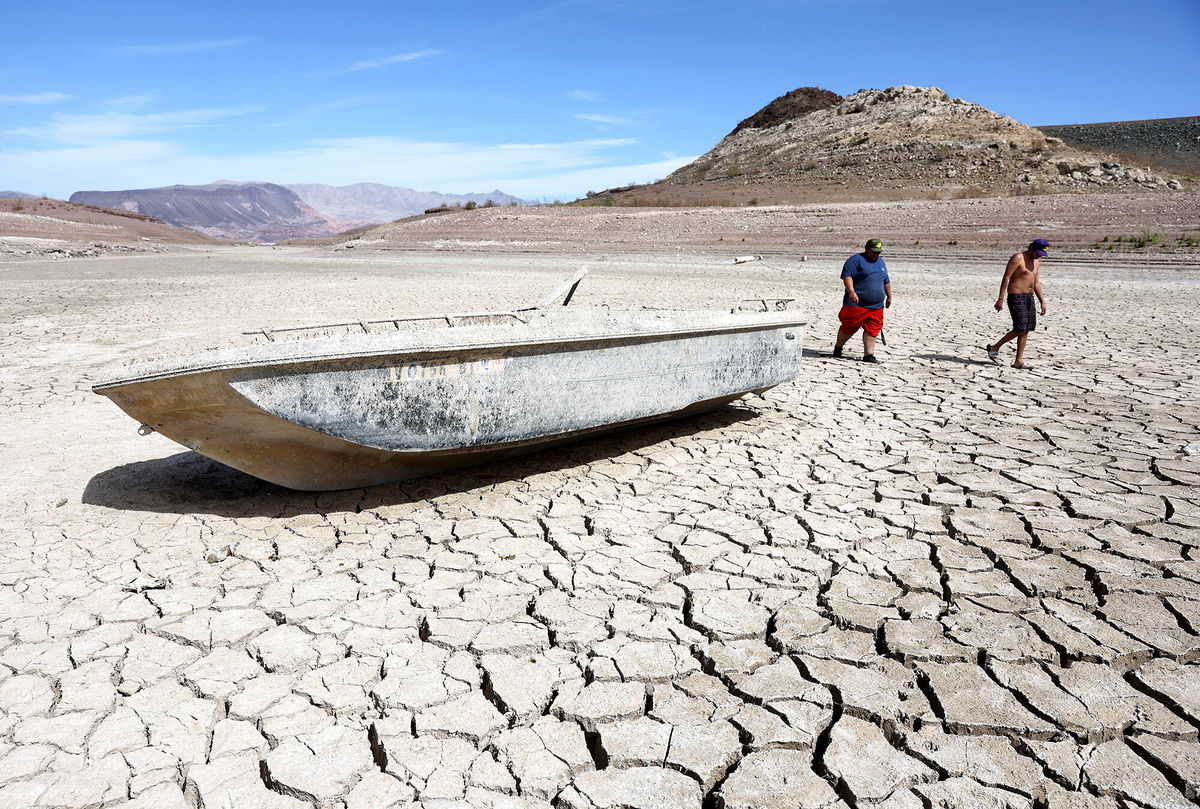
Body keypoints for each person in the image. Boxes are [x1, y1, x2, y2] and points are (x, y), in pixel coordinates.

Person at [985, 238, 1048, 369]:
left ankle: (1018, 361)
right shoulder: (1018, 258)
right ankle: (995, 347)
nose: (1039, 256)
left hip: (1029, 297)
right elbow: (1006, 277)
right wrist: (1001, 298)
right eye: (1038, 253)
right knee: (1020, 327)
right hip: (1016, 296)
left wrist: (1042, 300)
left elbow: (1036, 282)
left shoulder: (1037, 262)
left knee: (1026, 329)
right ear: (1032, 249)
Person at [833, 238, 892, 362]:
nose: (876, 254)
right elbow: (847, 276)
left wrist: (889, 296)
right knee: (849, 327)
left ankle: (868, 355)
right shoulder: (855, 260)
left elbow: (885, 280)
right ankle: (838, 348)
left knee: (873, 328)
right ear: (866, 249)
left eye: (878, 252)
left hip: (876, 306)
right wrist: (852, 292)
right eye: (873, 251)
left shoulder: (881, 262)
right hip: (856, 304)